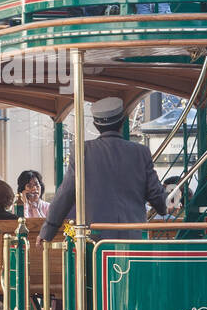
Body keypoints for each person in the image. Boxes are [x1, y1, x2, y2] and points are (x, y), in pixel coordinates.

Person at [40, 97, 167, 242]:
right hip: (133, 237)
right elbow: (156, 196)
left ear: (96, 125)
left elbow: (66, 193)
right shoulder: (141, 152)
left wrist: (47, 231)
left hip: (96, 239)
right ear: (122, 122)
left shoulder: (82, 151)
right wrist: (164, 205)